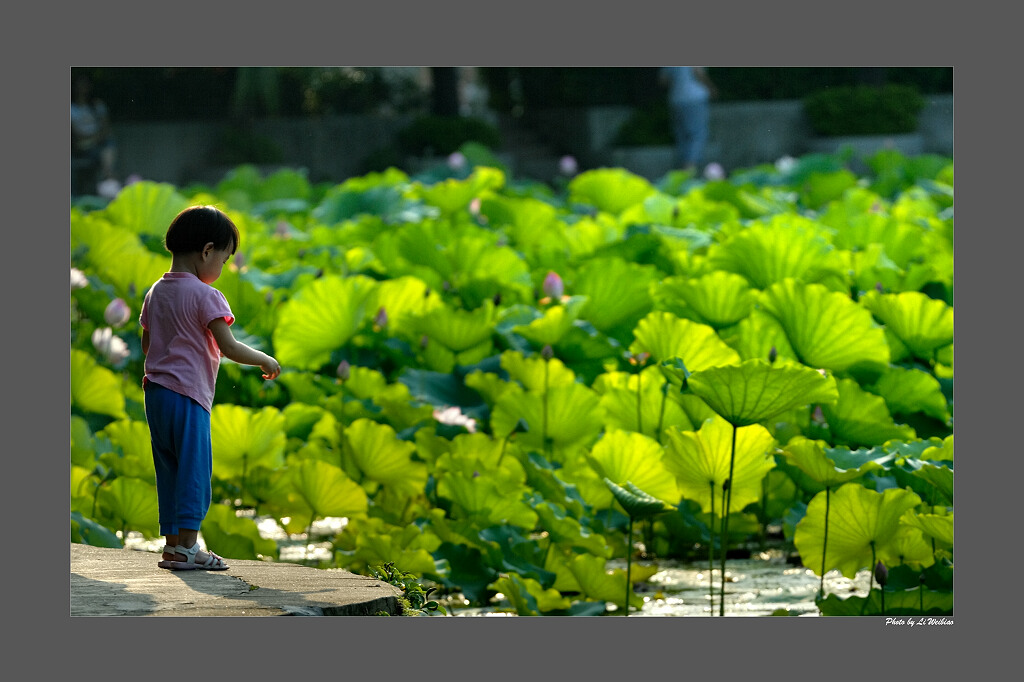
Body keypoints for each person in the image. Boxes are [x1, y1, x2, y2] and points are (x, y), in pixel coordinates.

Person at [140, 205, 281, 570]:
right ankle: (189, 547)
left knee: (168, 467)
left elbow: (147, 342)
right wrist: (265, 359)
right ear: (206, 251)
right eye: (225, 257)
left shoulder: (155, 292)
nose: (223, 267)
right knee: (194, 470)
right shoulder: (206, 296)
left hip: (155, 393)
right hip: (189, 397)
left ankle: (173, 546)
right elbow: (229, 346)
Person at [658, 66, 718, 172]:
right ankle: (690, 169)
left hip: (675, 100)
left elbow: (663, 80)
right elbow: (698, 71)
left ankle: (682, 173)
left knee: (682, 137)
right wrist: (711, 88)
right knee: (697, 135)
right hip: (695, 99)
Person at [71, 73, 118, 190]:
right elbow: (74, 133)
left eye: (85, 84)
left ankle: (109, 179)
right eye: (79, 85)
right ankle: (110, 180)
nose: (82, 88)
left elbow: (106, 128)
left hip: (98, 142)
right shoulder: (70, 108)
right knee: (104, 151)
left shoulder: (97, 105)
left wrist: (94, 139)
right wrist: (89, 139)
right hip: (80, 146)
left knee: (108, 144)